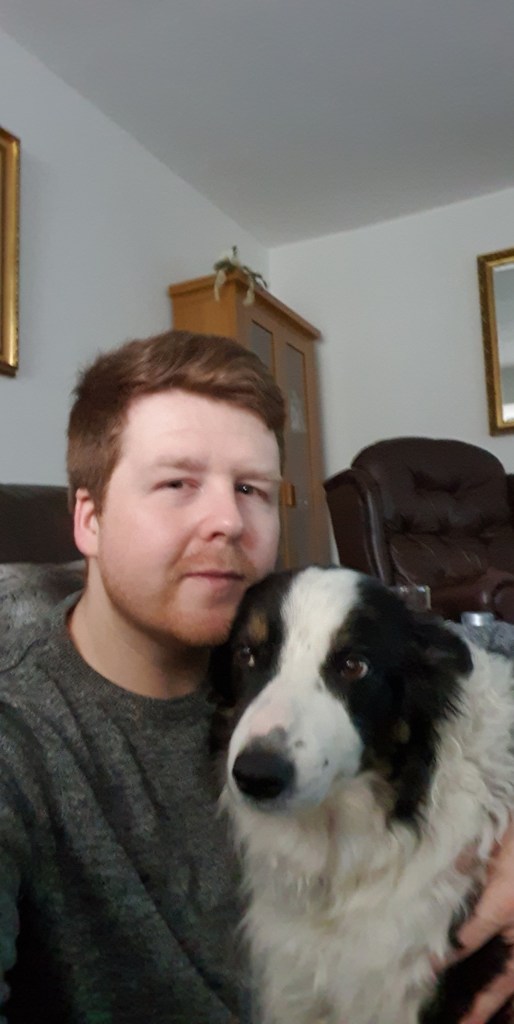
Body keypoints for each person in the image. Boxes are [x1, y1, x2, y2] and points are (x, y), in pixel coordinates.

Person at [0, 329, 285, 1023]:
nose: (230, 521)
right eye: (177, 483)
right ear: (89, 521)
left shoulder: (293, 656)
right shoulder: (19, 733)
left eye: (252, 489)